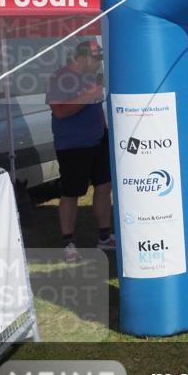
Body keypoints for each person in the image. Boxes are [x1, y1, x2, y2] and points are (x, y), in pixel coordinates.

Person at [45, 40, 115, 263]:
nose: (99, 63)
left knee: (104, 187)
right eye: (97, 58)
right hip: (72, 145)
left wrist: (104, 130)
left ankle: (104, 236)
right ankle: (68, 243)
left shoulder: (91, 79)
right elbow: (60, 111)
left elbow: (96, 107)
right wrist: (90, 93)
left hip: (98, 140)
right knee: (71, 194)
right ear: (83, 57)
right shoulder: (59, 78)